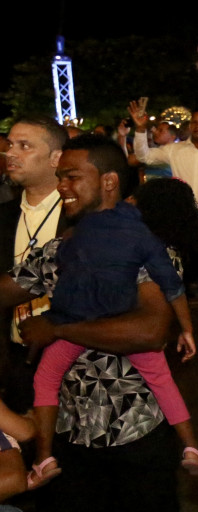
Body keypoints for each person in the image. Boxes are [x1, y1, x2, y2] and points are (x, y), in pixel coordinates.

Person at [2, 134, 182, 512]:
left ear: (108, 181)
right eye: (59, 177)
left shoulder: (146, 248)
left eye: (72, 177)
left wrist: (58, 328)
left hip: (136, 433)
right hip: (69, 436)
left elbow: (150, 331)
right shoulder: (58, 250)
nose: (61, 186)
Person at [27, 175, 198, 490]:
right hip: (127, 322)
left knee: (45, 378)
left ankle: (44, 459)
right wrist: (187, 329)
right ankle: (191, 448)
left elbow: (63, 262)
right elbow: (173, 288)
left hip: (79, 322)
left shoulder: (85, 232)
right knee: (162, 381)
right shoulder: (150, 244)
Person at [129, 102, 198, 341]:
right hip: (181, 221)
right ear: (189, 125)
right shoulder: (175, 150)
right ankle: (175, 328)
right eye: (194, 122)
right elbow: (144, 156)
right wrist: (140, 129)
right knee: (176, 276)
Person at [0, 117, 69, 415]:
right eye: (10, 145)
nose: (11, 153)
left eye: (24, 146)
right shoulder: (4, 216)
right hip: (16, 362)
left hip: (74, 358)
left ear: (56, 158)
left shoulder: (79, 217)